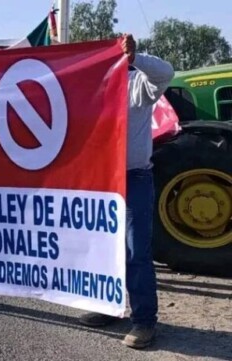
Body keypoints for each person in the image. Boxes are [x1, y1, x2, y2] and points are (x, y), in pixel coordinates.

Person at [77, 34, 174, 350]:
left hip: (133, 178)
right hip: (99, 181)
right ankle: (107, 307)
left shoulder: (137, 84)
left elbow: (166, 73)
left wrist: (135, 58)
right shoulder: (85, 91)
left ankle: (144, 321)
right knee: (102, 247)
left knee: (136, 252)